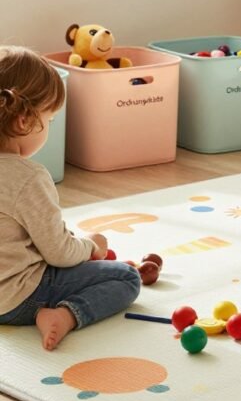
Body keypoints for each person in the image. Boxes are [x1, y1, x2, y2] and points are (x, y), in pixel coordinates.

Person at [0, 46, 141, 349]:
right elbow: (59, 254)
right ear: (24, 121)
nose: (49, 127)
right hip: (16, 298)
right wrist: (90, 245)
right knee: (127, 277)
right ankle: (64, 314)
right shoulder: (27, 177)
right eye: (48, 120)